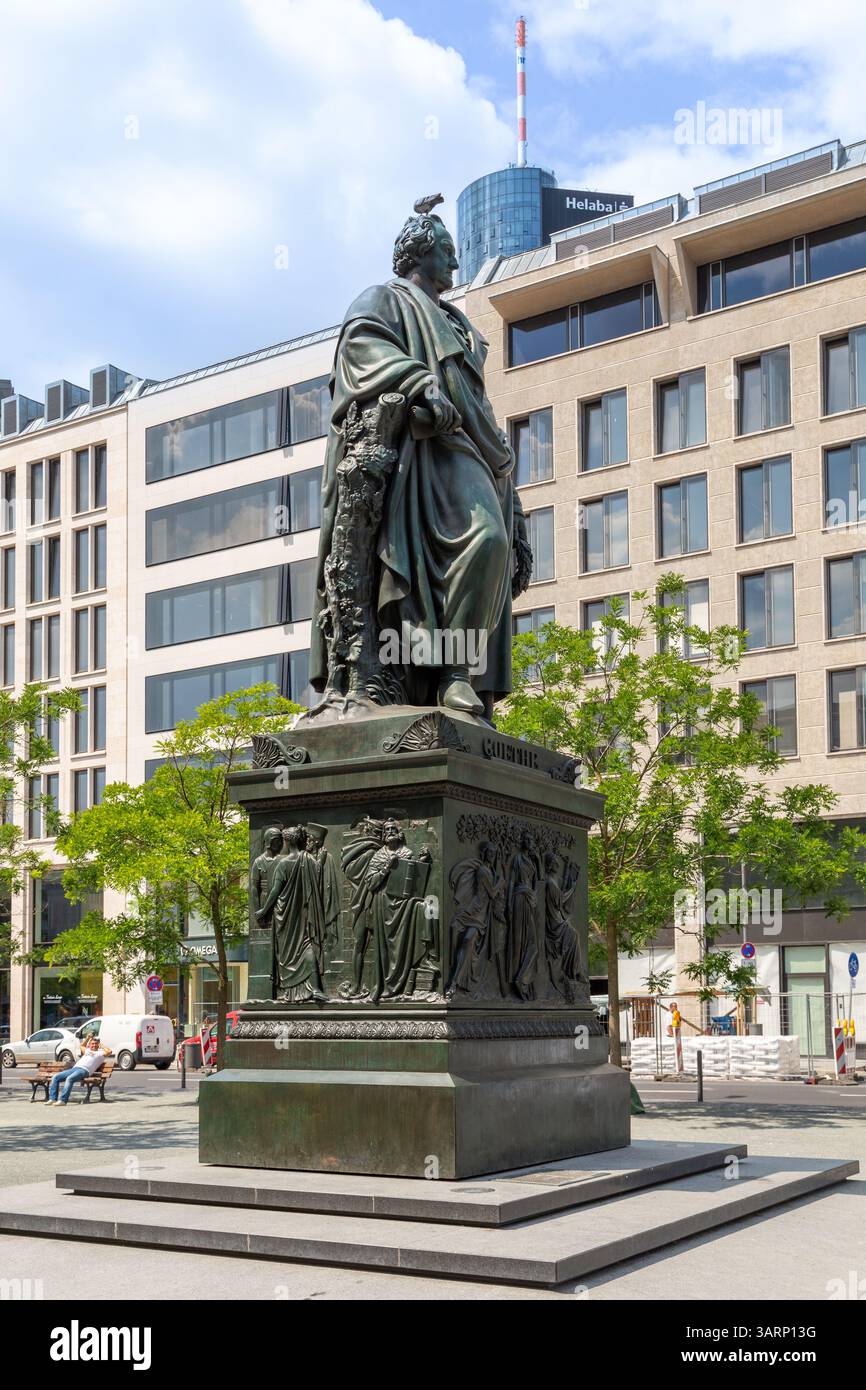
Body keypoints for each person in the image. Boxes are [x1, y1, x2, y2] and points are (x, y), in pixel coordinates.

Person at [46, 1034, 113, 1107]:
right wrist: (88, 1038)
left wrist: (100, 1044)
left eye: (95, 1044)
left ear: (98, 1045)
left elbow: (109, 1051)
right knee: (56, 1077)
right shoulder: (87, 1051)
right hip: (75, 1068)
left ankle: (63, 1100)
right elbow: (82, 1046)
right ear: (89, 1045)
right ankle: (52, 1098)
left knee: (69, 1079)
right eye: (92, 1044)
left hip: (85, 1070)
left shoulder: (101, 1053)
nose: (94, 1045)